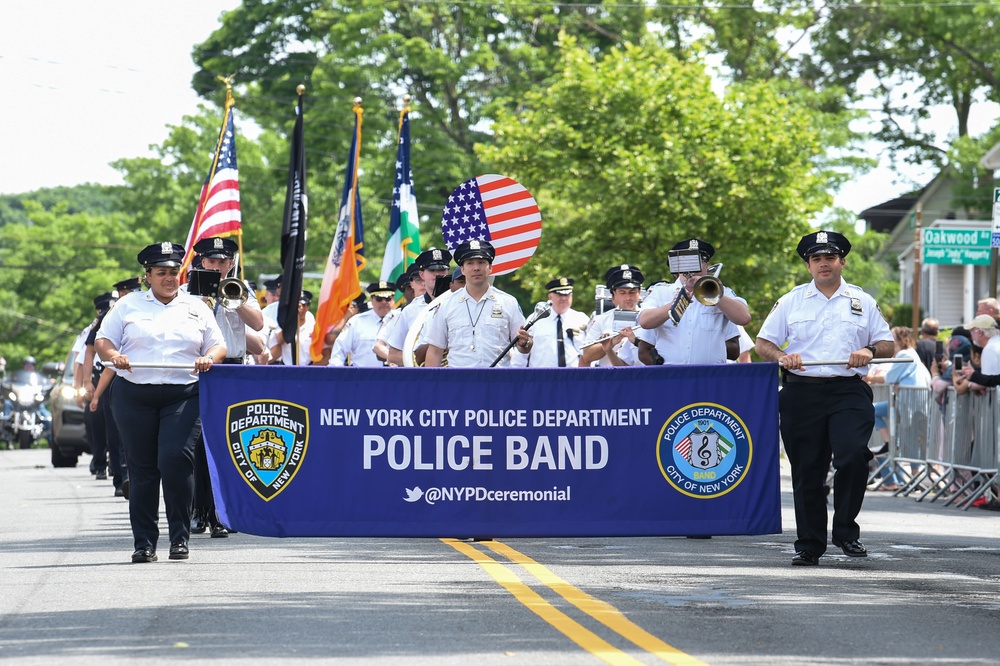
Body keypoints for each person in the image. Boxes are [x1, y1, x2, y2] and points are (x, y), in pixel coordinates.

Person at [755, 230, 893, 566]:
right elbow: (763, 343)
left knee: (853, 457)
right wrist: (781, 357)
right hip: (802, 391)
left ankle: (846, 533)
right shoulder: (791, 301)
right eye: (816, 259)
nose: (823, 264)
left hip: (847, 389)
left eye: (829, 257)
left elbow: (889, 344)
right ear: (808, 265)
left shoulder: (862, 300)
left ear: (842, 261)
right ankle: (809, 544)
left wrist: (868, 350)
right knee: (807, 470)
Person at [95, 241, 226, 564]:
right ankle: (144, 543)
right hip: (134, 394)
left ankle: (179, 538)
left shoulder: (197, 306)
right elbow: (102, 341)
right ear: (147, 276)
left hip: (182, 393)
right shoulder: (128, 307)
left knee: (175, 460)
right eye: (161, 273)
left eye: (173, 272)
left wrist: (209, 358)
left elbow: (218, 345)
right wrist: (114, 356)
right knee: (141, 469)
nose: (169, 278)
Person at [189, 236, 263, 536]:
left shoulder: (241, 290)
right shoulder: (186, 293)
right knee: (197, 443)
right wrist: (202, 302)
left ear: (231, 263)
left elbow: (257, 324)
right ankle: (199, 508)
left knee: (228, 442)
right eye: (211, 261)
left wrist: (234, 301)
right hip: (198, 367)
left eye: (222, 261)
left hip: (231, 368)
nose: (217, 266)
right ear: (202, 262)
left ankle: (223, 512)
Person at [636, 238, 751, 365]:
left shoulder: (721, 291)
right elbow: (644, 321)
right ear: (677, 266)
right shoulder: (661, 292)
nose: (693, 269)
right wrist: (671, 306)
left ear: (706, 265)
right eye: (687, 262)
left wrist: (715, 294)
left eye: (699, 262)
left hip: (710, 376)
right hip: (671, 376)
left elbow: (744, 318)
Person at [424, 240, 531, 368]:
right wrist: (431, 386)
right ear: (462, 269)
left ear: (490, 268)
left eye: (481, 262)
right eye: (470, 263)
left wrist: (525, 343)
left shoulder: (508, 302)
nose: (476, 268)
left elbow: (524, 347)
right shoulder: (447, 304)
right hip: (458, 383)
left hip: (498, 382)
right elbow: (435, 351)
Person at [864, 326, 931, 490]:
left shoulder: (905, 355)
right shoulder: (909, 354)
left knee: (910, 440)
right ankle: (889, 442)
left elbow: (890, 376)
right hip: (907, 401)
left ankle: (913, 477)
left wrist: (870, 377)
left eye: (891, 337)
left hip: (909, 403)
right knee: (872, 411)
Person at [386, 248, 452, 367]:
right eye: (432, 270)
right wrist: (416, 361)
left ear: (448, 272)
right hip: (425, 376)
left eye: (442, 270)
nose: (437, 274)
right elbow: (393, 355)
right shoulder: (410, 310)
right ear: (422, 274)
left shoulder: (461, 303)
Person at [511, 277, 587, 368]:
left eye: (567, 295)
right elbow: (521, 352)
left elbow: (589, 352)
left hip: (573, 377)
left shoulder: (581, 318)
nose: (564, 298)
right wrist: (516, 376)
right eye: (559, 295)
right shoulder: (536, 318)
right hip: (542, 377)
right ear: (550, 297)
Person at [579, 265, 644, 367]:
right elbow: (586, 356)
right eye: (622, 293)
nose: (628, 297)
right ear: (614, 293)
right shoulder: (602, 319)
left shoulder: (648, 319)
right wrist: (609, 344)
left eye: (632, 292)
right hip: (609, 379)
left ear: (639, 292)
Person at [329, 281, 396, 367]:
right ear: (371, 300)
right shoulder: (357, 321)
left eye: (388, 298)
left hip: (395, 377)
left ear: (393, 299)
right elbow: (339, 350)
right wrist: (335, 374)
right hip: (363, 376)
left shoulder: (401, 319)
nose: (384, 302)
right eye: (379, 299)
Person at [268, 290, 314, 365]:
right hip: (287, 366)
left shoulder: (310, 319)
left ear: (307, 307)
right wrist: (293, 323)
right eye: (298, 305)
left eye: (304, 305)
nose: (301, 308)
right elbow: (280, 340)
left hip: (307, 367)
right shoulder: (285, 320)